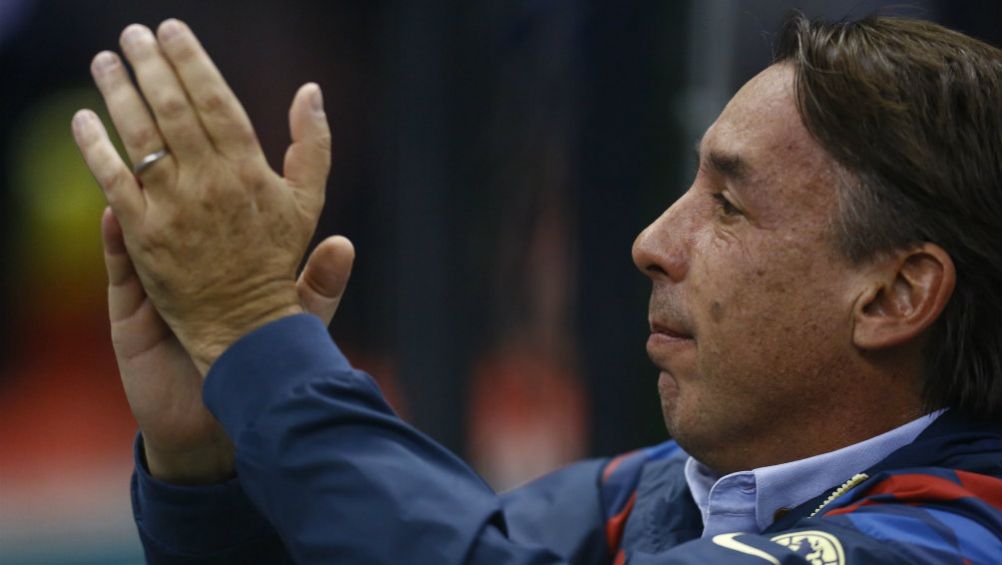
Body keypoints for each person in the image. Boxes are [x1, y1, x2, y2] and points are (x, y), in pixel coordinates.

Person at [71, 12, 1002, 565]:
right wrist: (210, 474)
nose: (651, 243)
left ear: (894, 294)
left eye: (727, 205)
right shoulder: (656, 492)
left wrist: (258, 339)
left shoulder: (956, 536)